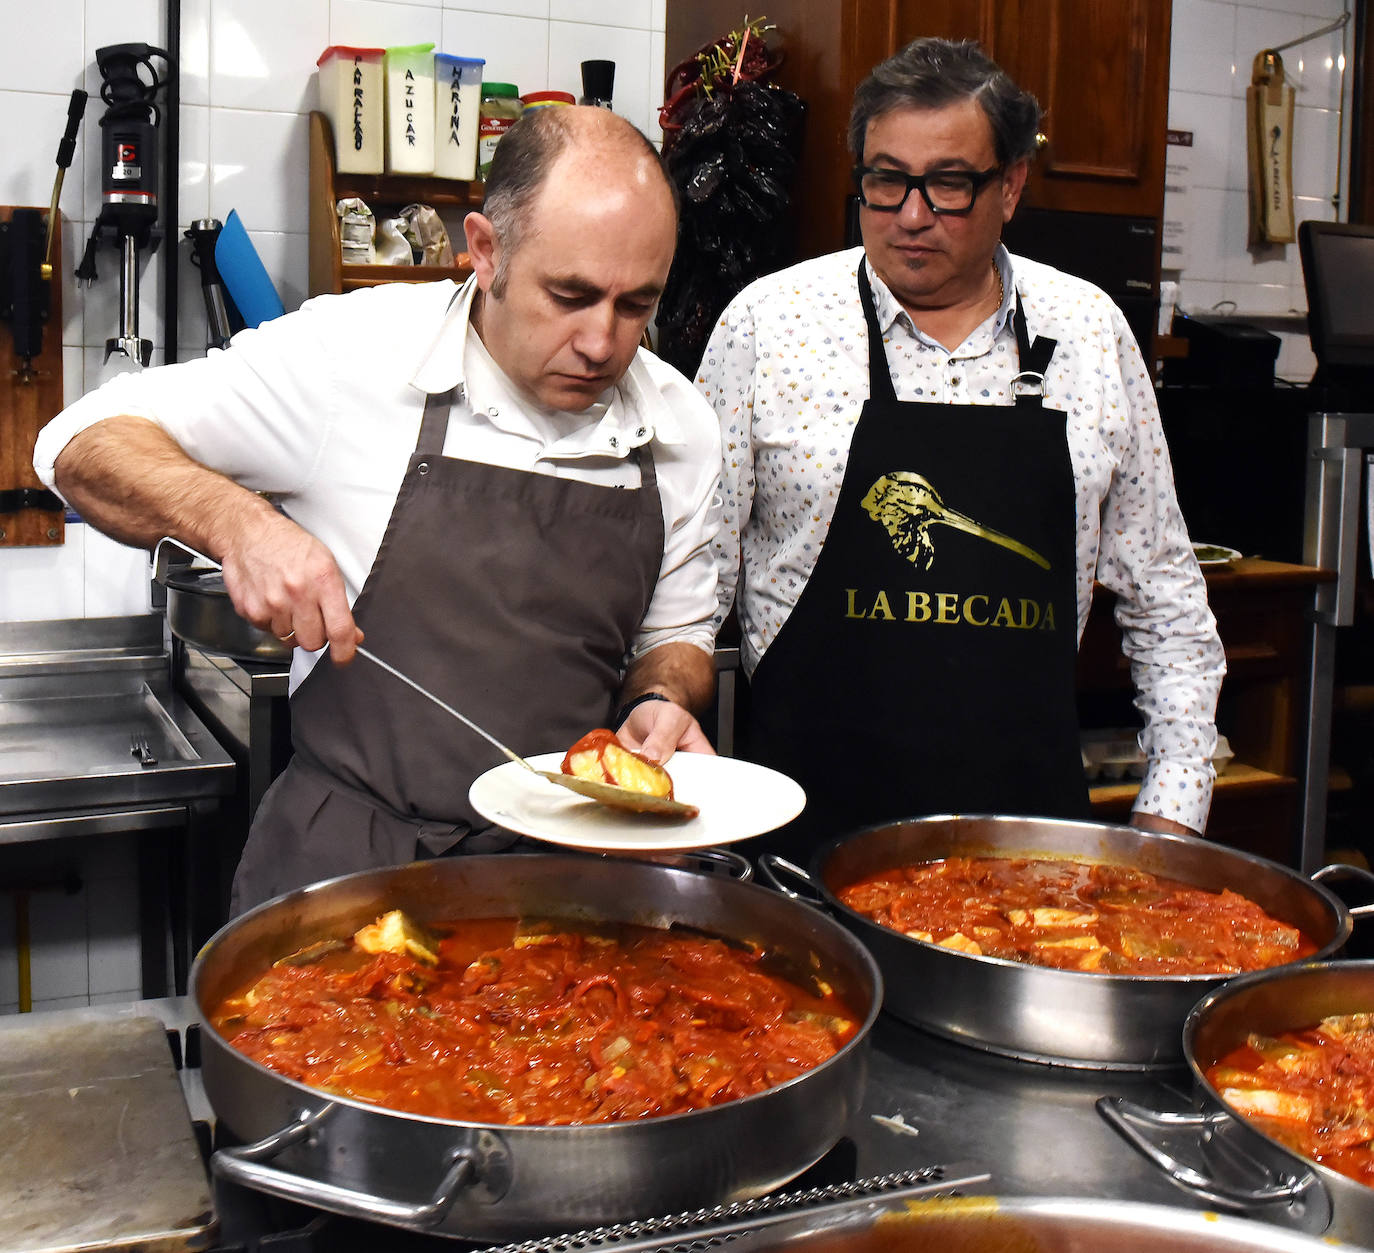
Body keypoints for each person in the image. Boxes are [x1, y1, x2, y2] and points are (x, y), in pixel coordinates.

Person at [34, 106, 722, 912]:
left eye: (636, 305)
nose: (604, 343)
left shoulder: (679, 423)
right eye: (570, 296)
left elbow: (676, 633)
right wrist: (240, 523)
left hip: (563, 880)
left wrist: (660, 702)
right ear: (486, 250)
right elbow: (77, 441)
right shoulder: (351, 359)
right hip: (346, 865)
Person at [696, 38, 1225, 857]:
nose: (911, 214)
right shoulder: (769, 325)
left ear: (1010, 184)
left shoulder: (1087, 332)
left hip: (1028, 845)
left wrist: (1171, 816)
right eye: (886, 180)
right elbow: (690, 581)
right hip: (807, 835)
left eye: (947, 184)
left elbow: (1166, 597)